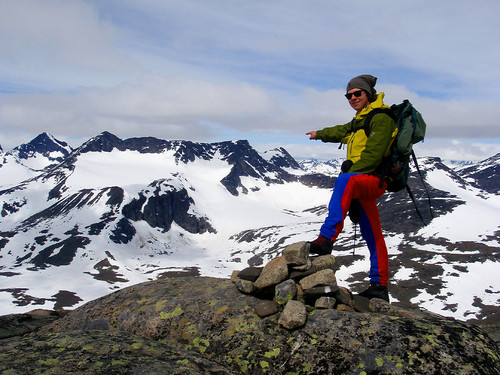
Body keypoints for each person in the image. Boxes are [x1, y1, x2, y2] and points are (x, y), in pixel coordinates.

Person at [305, 74, 397, 302]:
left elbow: (374, 156)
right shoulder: (360, 120)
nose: (353, 98)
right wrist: (319, 134)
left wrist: (351, 172)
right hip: (362, 181)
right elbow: (340, 131)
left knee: (344, 181)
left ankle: (326, 238)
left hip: (372, 179)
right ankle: (380, 287)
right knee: (374, 235)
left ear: (368, 94)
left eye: (358, 93)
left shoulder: (381, 119)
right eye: (349, 95)